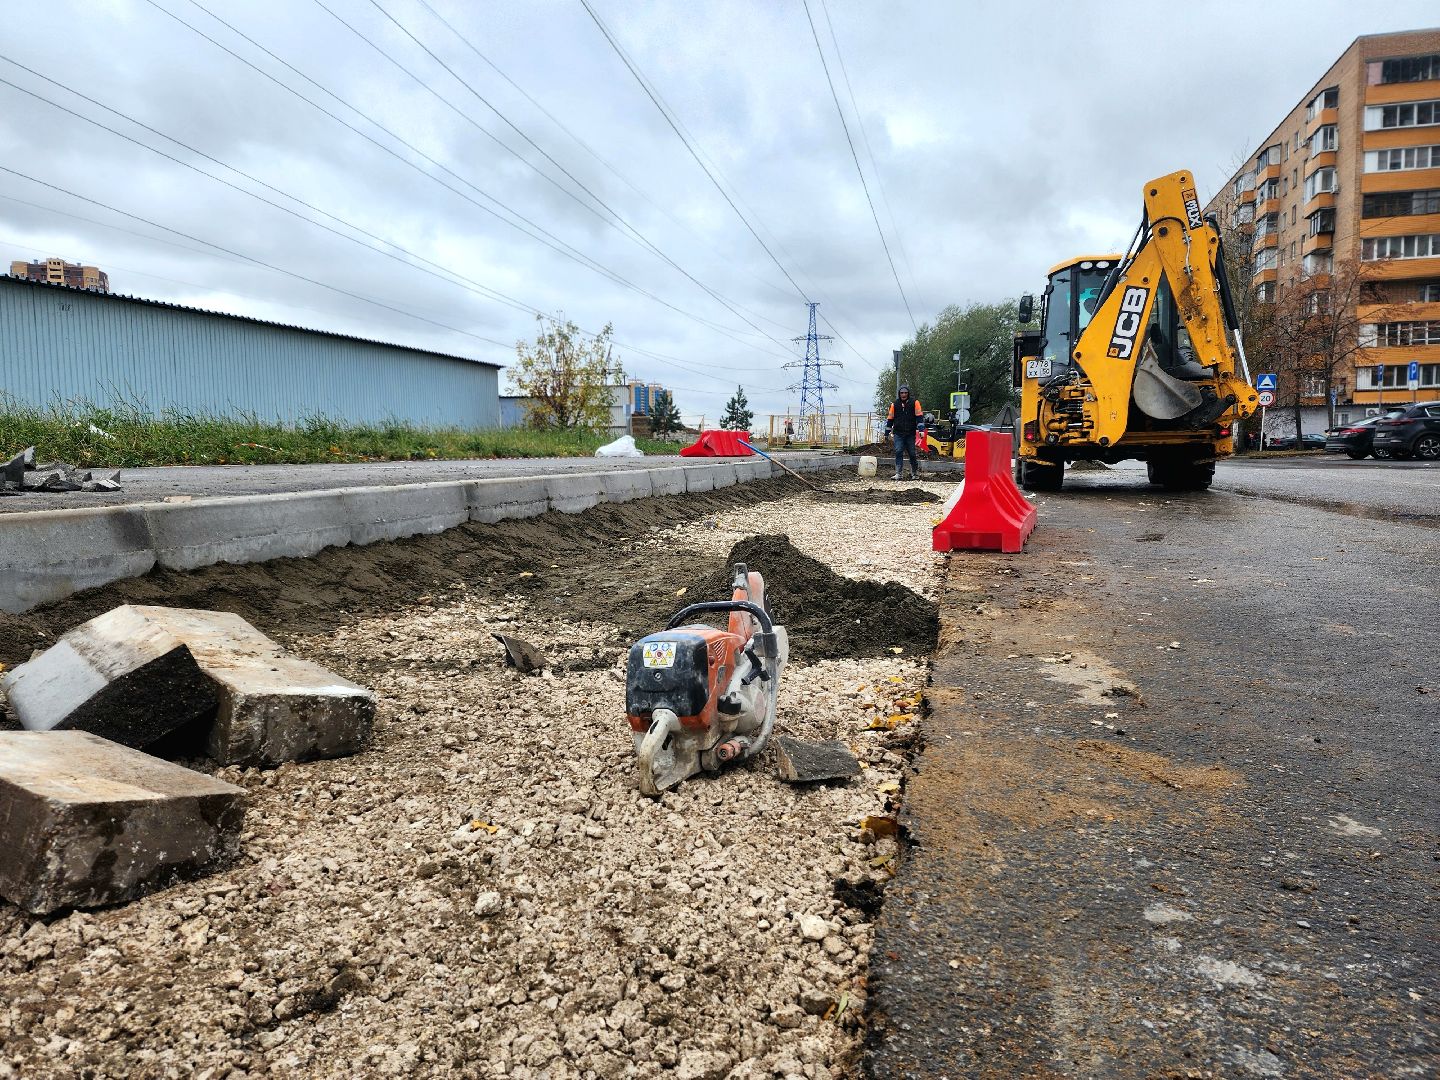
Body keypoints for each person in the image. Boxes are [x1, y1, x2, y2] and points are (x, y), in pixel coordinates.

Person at [885, 384, 923, 480]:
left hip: (910, 433)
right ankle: (899, 473)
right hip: (898, 433)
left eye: (905, 393)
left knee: (912, 453)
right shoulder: (894, 404)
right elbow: (890, 419)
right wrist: (886, 433)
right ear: (899, 394)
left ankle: (914, 473)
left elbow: (919, 417)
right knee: (898, 451)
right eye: (902, 393)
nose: (904, 394)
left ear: (908, 393)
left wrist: (921, 430)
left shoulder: (915, 403)